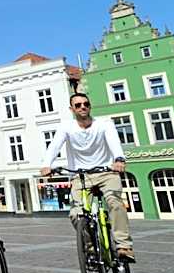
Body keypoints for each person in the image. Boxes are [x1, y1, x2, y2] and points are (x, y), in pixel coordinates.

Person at [40, 92, 135, 261]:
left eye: (85, 104)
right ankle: (91, 246)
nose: (82, 107)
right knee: (76, 214)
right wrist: (47, 164)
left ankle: (124, 246)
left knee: (115, 203)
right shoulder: (66, 127)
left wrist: (119, 159)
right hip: (80, 176)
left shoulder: (104, 123)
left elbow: (114, 142)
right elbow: (54, 146)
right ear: (72, 109)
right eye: (78, 105)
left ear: (90, 106)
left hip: (106, 172)